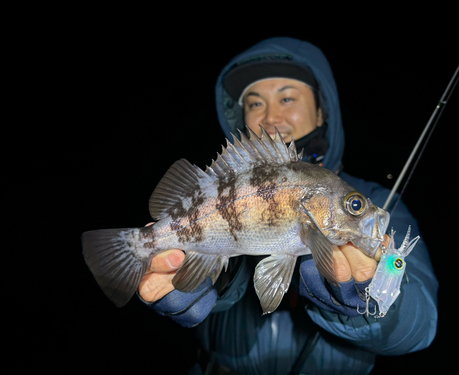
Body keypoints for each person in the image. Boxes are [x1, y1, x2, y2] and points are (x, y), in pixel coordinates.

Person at [137, 37, 438, 374]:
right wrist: (217, 280)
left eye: (287, 97)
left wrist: (378, 299)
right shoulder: (225, 184)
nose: (270, 116)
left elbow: (422, 326)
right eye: (254, 104)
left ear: (322, 110)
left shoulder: (383, 201)